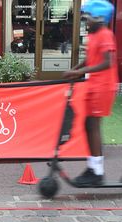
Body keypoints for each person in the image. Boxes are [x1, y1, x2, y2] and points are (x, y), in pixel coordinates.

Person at [63, 0, 118, 187]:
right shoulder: (93, 35)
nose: (86, 22)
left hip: (103, 87)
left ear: (99, 19)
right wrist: (75, 69)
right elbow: (89, 59)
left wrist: (77, 73)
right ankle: (94, 167)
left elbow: (108, 62)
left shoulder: (105, 35)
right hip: (93, 86)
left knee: (92, 125)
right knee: (88, 124)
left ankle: (96, 171)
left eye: (88, 18)